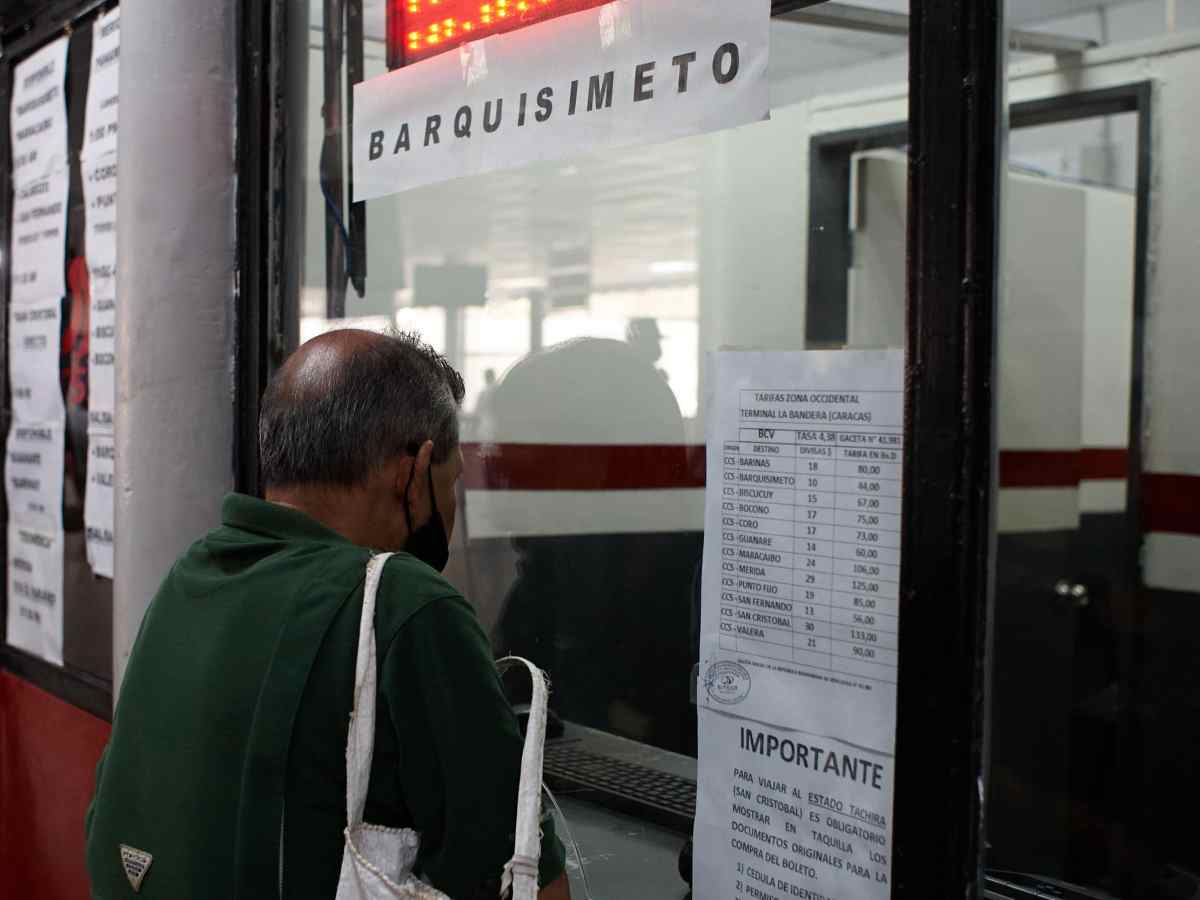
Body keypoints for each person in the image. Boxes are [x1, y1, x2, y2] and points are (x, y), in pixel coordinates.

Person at [85, 329, 569, 900]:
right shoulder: (405, 606)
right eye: (452, 479)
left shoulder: (192, 578)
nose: (455, 504)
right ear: (412, 473)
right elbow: (527, 882)